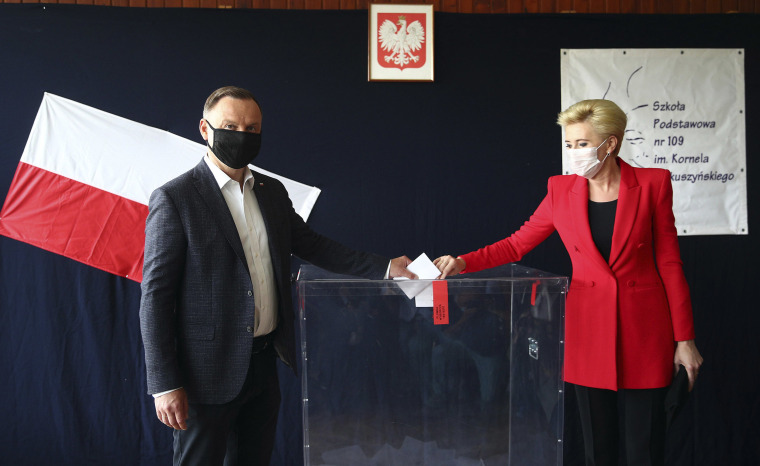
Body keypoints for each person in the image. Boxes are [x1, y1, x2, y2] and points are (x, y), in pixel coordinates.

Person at [139, 86, 416, 466]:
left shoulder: (271, 192)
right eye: (231, 126)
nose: (242, 135)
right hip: (205, 375)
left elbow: (314, 246)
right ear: (205, 129)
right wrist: (164, 384)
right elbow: (155, 297)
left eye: (252, 129)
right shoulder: (176, 198)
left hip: (264, 364)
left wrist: (386, 267)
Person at [434, 99, 703, 466]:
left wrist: (684, 340)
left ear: (610, 143)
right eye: (570, 144)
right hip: (587, 329)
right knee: (598, 448)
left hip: (645, 331)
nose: (574, 153)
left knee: (646, 448)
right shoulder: (560, 190)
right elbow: (517, 243)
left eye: (582, 144)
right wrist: (464, 261)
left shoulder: (654, 184)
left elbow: (670, 262)